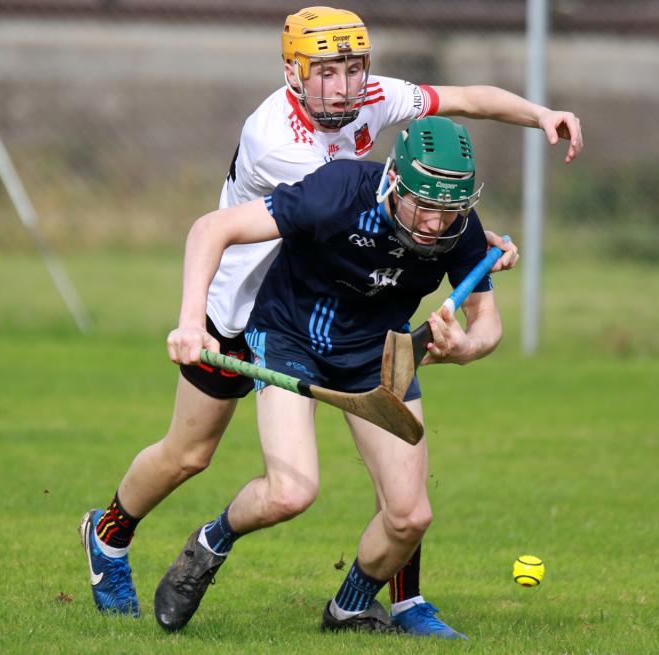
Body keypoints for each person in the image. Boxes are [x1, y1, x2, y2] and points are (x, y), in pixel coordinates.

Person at [79, 6, 578, 637]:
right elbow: (350, 220)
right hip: (243, 300)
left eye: (354, 70)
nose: (344, 88)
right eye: (327, 74)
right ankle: (108, 536)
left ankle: (396, 599)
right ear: (293, 73)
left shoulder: (369, 103)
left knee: (398, 468)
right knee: (189, 453)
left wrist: (537, 118)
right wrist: (452, 234)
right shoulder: (282, 145)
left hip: (349, 294)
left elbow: (461, 100)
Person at [155, 115, 504, 637]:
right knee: (289, 493)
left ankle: (349, 608)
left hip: (380, 356)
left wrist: (465, 348)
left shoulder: (457, 229)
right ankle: (211, 542)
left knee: (409, 517)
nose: (435, 224)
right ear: (393, 181)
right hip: (291, 339)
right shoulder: (337, 194)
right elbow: (213, 228)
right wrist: (190, 320)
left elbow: (488, 322)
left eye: (450, 209)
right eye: (424, 206)